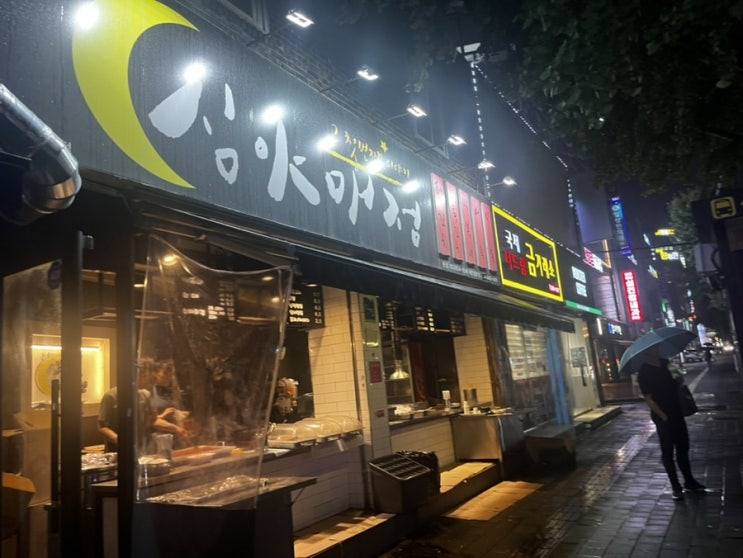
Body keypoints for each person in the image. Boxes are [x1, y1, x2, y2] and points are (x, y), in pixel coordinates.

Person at [637, 345, 706, 500]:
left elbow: (679, 382)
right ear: (646, 351)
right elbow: (648, 398)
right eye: (653, 348)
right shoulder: (644, 372)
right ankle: (676, 486)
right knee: (668, 451)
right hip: (663, 416)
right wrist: (663, 417)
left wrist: (678, 377)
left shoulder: (666, 363)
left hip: (677, 411)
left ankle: (689, 481)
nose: (657, 350)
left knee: (683, 447)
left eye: (657, 347)